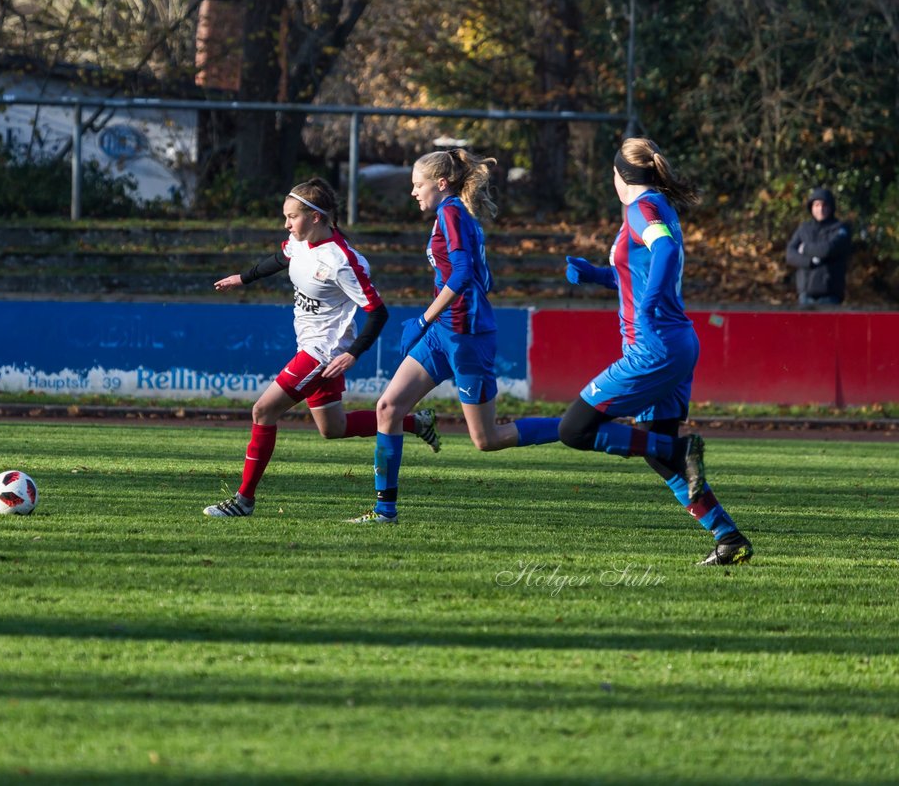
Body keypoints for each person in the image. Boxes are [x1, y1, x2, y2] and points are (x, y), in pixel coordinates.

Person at [559, 137, 752, 566]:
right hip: (675, 342)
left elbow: (664, 251)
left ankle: (683, 452)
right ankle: (729, 539)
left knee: (574, 429)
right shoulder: (659, 206)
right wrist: (597, 275)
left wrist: (648, 305)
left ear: (619, 175)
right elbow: (643, 269)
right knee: (659, 453)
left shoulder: (640, 206)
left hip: (655, 346)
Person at [205, 177, 441, 518]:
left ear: (316, 217)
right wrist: (243, 278)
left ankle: (243, 501)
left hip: (324, 352)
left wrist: (352, 353)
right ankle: (415, 423)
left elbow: (378, 312)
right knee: (334, 428)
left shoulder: (342, 261)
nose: (286, 224)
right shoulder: (299, 241)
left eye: (292, 217)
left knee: (263, 411)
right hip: (311, 345)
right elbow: (281, 258)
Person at [349, 149, 560, 526]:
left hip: (465, 335)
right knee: (388, 408)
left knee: (486, 439)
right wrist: (433, 322)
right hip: (444, 332)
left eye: (418, 185)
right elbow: (483, 276)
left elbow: (462, 275)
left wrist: (423, 318)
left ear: (441, 183)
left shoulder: (450, 213)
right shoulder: (454, 216)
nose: (413, 192)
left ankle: (573, 425)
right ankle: (384, 511)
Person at [786, 187, 851, 306]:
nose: (820, 209)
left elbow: (828, 249)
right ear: (811, 207)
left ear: (831, 207)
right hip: (805, 295)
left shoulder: (840, 228)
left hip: (829, 296)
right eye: (816, 205)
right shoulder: (804, 228)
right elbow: (790, 254)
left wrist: (804, 248)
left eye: (824, 205)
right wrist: (809, 262)